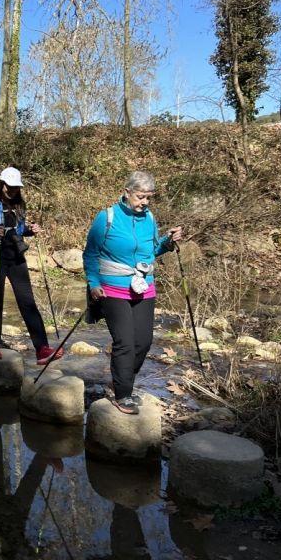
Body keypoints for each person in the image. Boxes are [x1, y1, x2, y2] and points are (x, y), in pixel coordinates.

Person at [83, 170, 182, 415]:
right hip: (112, 288)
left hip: (144, 286)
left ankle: (123, 378)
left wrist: (167, 242)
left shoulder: (149, 218)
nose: (145, 202)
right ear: (127, 192)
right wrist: (93, 283)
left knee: (144, 342)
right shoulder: (106, 217)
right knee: (125, 343)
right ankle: (123, 393)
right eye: (140, 196)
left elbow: (152, 250)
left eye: (149, 197)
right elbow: (91, 253)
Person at [0, 167, 61, 365]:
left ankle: (42, 348)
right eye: (11, 187)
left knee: (27, 301)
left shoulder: (19, 204)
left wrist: (30, 230)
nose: (14, 190)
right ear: (3, 184)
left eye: (17, 187)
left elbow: (18, 230)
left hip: (16, 257)